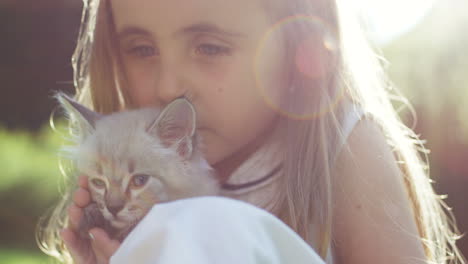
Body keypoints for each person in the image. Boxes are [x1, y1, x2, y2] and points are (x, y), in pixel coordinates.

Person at [36, 0, 466, 263]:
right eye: (142, 49)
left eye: (209, 47)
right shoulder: (130, 166)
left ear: (300, 39)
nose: (168, 85)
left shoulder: (344, 149)